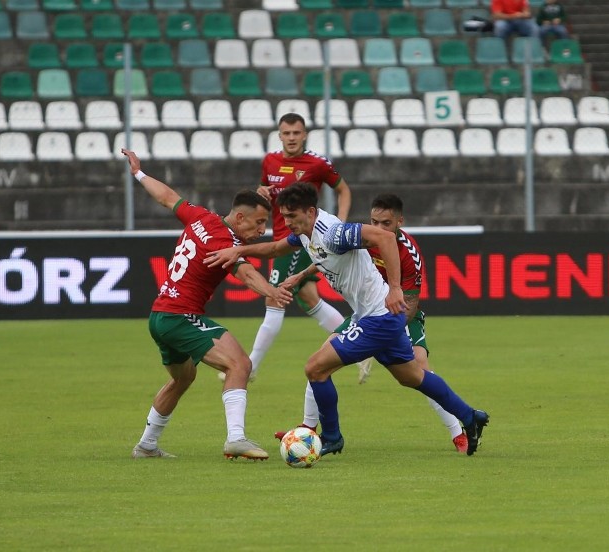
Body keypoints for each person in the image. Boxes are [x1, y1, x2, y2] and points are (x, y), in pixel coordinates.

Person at [206, 183, 490, 457]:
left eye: (292, 216)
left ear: (311, 212)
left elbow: (386, 238)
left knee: (316, 368)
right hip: (376, 316)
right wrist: (240, 250)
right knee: (413, 377)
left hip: (378, 317)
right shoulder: (305, 234)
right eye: (284, 216)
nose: (288, 222)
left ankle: (331, 437)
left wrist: (394, 288)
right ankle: (470, 416)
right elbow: (276, 248)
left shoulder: (334, 232)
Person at [121, 148, 293, 461]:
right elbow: (246, 272)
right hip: (179, 316)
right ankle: (236, 438)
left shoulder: (201, 217)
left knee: (183, 378)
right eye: (258, 223)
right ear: (239, 218)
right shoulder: (225, 242)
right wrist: (272, 291)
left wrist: (139, 173)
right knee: (240, 364)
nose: (262, 230)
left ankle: (146, 445)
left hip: (160, 316)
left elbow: (167, 196)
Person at [275, 194, 470, 453]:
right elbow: (328, 257)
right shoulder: (365, 236)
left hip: (400, 314)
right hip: (367, 314)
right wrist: (301, 273)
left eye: (386, 223)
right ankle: (307, 431)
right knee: (322, 358)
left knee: (419, 366)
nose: (378, 228)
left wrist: (379, 337)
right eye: (374, 221)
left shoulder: (407, 252)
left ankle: (458, 433)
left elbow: (409, 302)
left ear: (400, 222)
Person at [238, 112, 354, 382]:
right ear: (280, 135)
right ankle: (356, 344)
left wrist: (341, 225)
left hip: (299, 240)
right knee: (309, 298)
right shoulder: (270, 161)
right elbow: (264, 191)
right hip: (280, 239)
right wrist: (261, 192)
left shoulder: (317, 163)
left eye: (296, 133)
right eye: (286, 133)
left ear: (304, 135)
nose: (291, 138)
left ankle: (250, 367)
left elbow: (344, 190)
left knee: (274, 298)